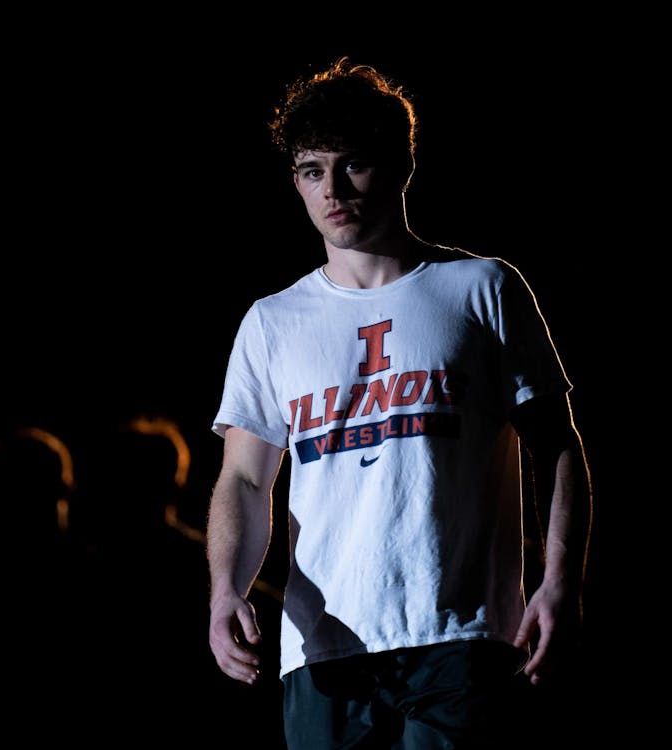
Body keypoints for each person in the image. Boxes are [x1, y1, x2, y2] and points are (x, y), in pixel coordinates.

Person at [206, 57, 592, 749]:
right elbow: (244, 478)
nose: (332, 189)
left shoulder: (481, 288)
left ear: (401, 166)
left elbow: (557, 444)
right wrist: (224, 591)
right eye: (311, 171)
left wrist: (561, 580)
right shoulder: (272, 321)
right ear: (295, 182)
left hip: (460, 636)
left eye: (352, 164)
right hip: (325, 648)